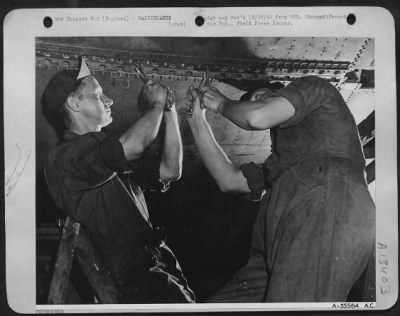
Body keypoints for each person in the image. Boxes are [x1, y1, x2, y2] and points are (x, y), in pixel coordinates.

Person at [187, 76, 375, 302]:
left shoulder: (315, 88)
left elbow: (256, 116)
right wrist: (196, 118)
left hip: (326, 206)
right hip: (277, 236)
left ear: (280, 91)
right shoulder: (280, 162)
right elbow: (229, 181)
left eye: (259, 96)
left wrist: (221, 104)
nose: (255, 101)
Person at [42, 58, 195, 303]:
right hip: (136, 283)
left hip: (161, 271)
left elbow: (170, 170)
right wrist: (155, 103)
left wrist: (169, 109)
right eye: (98, 94)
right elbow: (131, 147)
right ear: (73, 103)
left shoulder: (104, 154)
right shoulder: (64, 159)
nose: (109, 100)